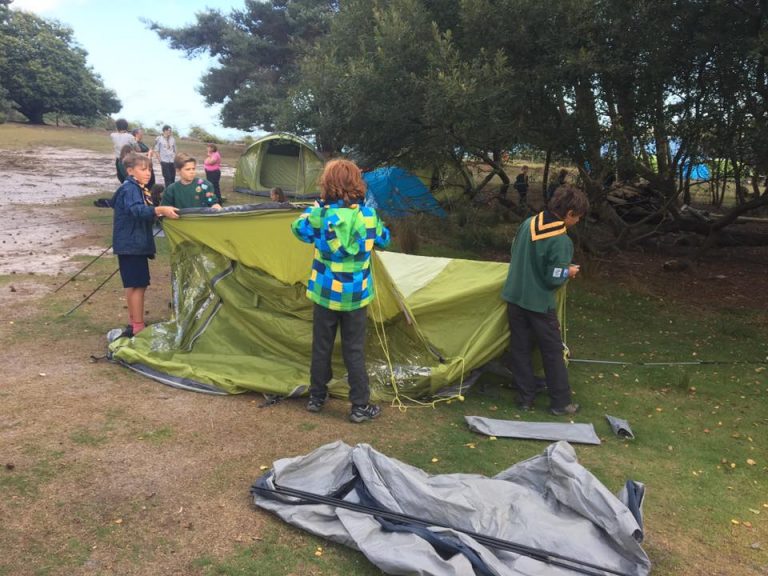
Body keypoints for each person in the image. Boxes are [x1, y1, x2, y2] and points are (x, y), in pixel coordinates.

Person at [291, 159, 391, 423]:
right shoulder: (368, 216)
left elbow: (298, 230)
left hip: (325, 293)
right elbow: (384, 239)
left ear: (327, 184)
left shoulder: (320, 216)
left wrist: (314, 209)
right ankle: (360, 406)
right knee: (354, 350)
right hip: (356, 296)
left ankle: (316, 397)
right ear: (356, 183)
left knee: (321, 346)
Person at [501, 184, 589, 416]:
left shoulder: (528, 223)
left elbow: (515, 252)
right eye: (577, 217)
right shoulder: (561, 241)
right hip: (539, 303)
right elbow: (553, 277)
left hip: (514, 297)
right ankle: (560, 402)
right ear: (569, 213)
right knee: (552, 351)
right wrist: (568, 272)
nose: (577, 222)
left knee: (520, 349)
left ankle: (524, 398)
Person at [111, 152, 179, 338]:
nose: (148, 173)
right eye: (143, 169)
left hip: (131, 244)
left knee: (133, 285)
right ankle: (138, 327)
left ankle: (135, 322)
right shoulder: (130, 189)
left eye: (149, 169)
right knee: (138, 285)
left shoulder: (137, 188)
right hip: (132, 245)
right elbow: (136, 210)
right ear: (130, 171)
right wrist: (158, 209)